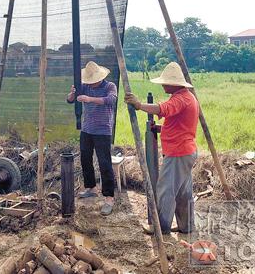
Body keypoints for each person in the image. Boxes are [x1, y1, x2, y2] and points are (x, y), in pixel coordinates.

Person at [124, 62, 199, 234]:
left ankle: (162, 227)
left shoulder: (181, 99)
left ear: (175, 84)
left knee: (165, 190)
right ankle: (185, 226)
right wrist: (160, 129)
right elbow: (180, 126)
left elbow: (162, 109)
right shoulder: (186, 97)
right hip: (185, 151)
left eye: (165, 82)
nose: (163, 85)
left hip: (178, 153)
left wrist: (139, 105)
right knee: (182, 192)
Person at [67, 61, 118, 216]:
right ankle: (91, 187)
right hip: (87, 129)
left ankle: (109, 198)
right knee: (85, 159)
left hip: (103, 130)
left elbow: (111, 100)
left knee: (104, 163)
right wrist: (71, 94)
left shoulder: (110, 86)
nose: (91, 83)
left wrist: (90, 99)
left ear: (100, 77)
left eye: (93, 80)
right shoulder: (84, 86)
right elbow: (70, 100)